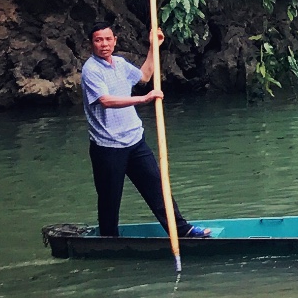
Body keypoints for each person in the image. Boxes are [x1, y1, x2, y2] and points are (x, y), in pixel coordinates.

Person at [80, 25, 206, 240]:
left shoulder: (119, 64)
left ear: (115, 40)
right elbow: (106, 101)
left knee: (158, 188)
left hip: (135, 140)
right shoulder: (90, 70)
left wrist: (153, 47)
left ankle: (181, 230)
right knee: (110, 199)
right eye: (99, 40)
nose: (104, 44)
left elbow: (144, 77)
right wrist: (144, 99)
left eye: (108, 39)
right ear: (92, 43)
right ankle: (109, 240)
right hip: (108, 147)